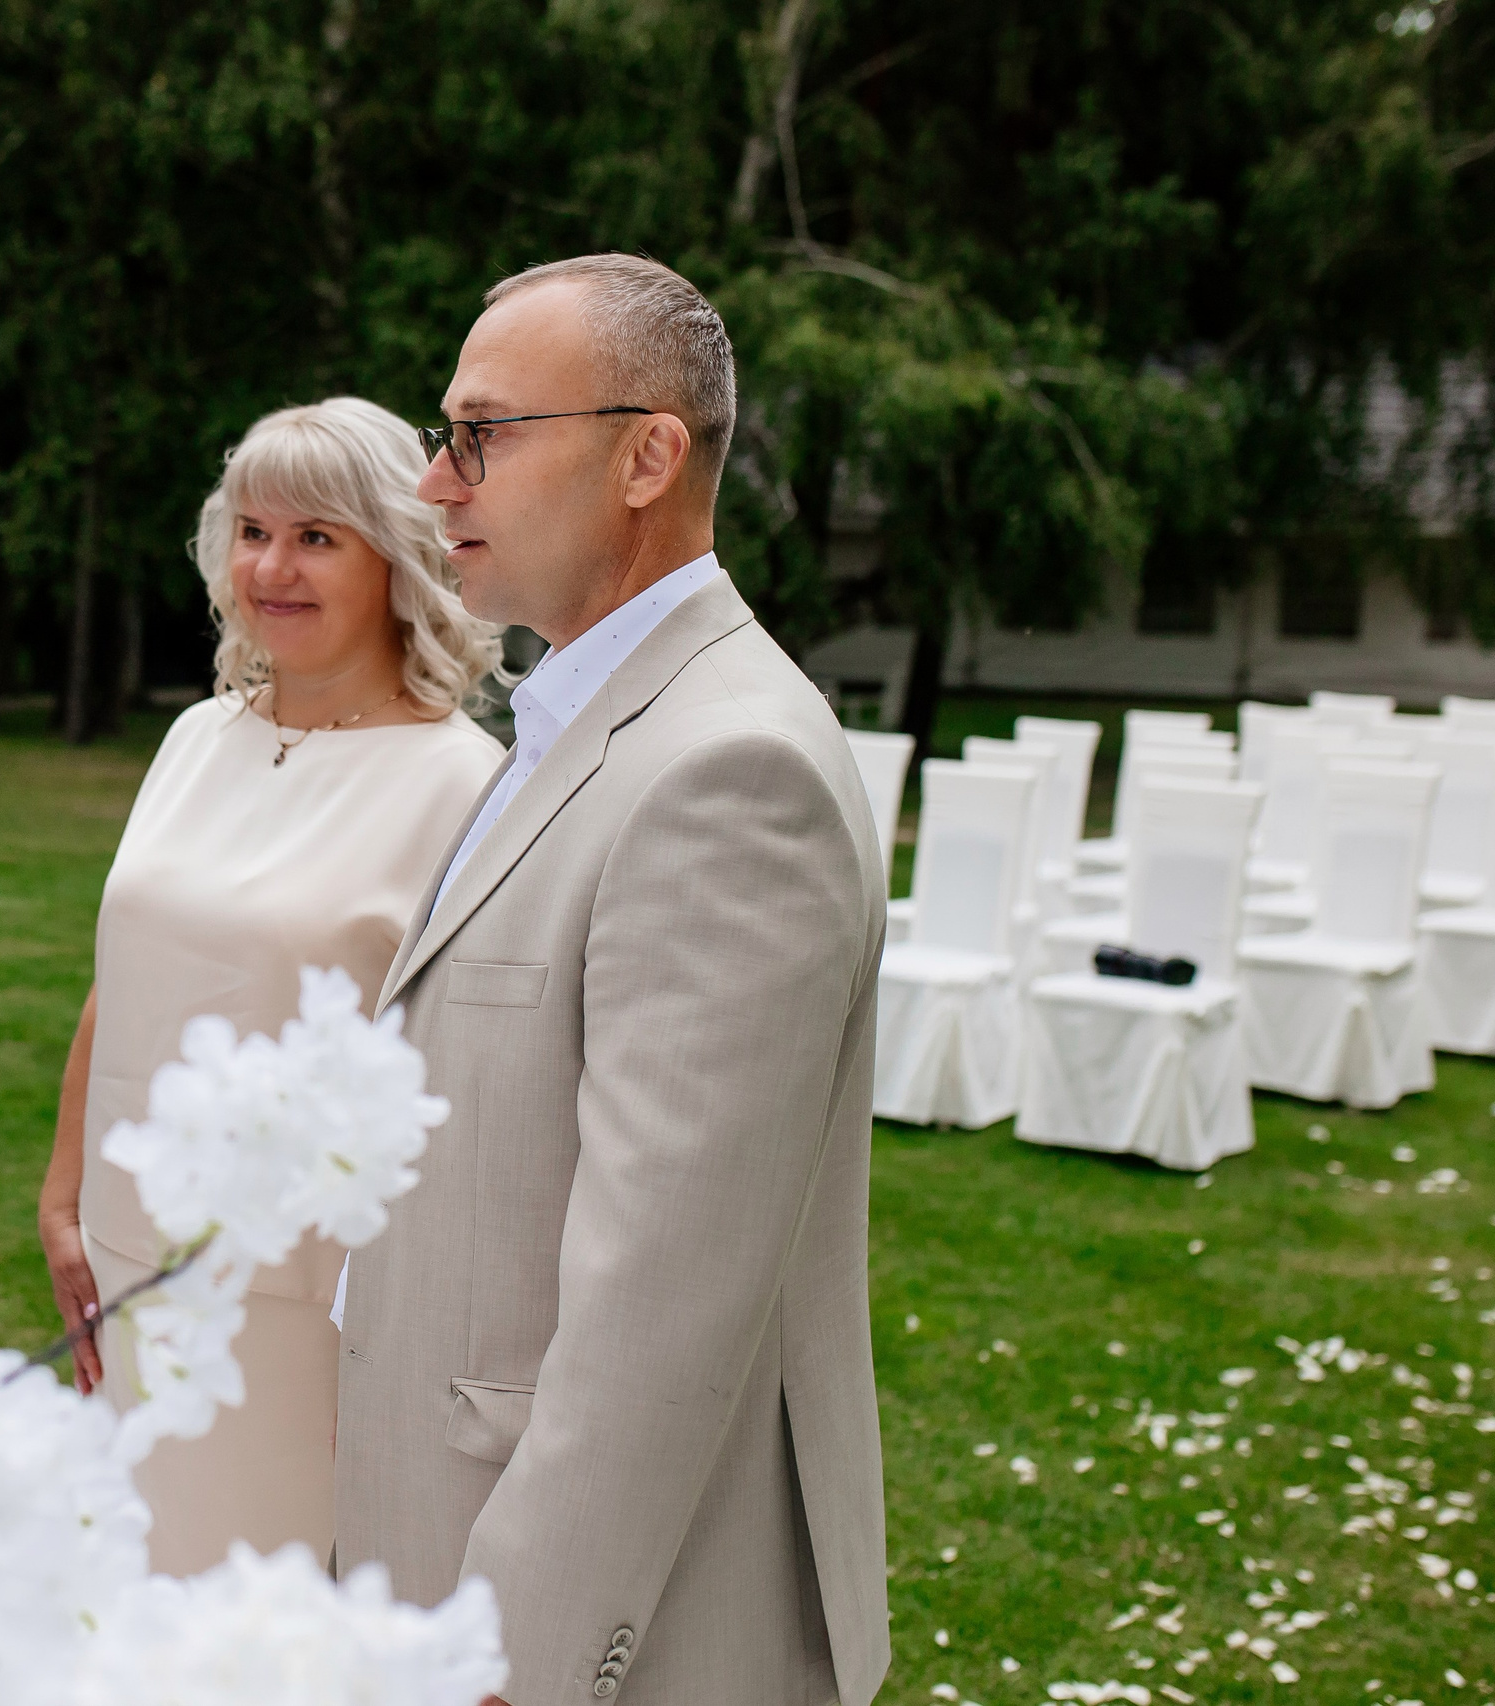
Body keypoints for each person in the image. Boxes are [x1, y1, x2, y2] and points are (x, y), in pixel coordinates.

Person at [333, 255, 890, 1706]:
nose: (435, 482)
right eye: (438, 430)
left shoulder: (731, 769)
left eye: (481, 433)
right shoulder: (583, 706)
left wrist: (508, 1653)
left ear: (648, 453)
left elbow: (667, 1301)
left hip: (608, 1617)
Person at [38, 398, 506, 1575]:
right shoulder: (195, 736)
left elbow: (467, 1076)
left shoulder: (464, 785)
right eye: (252, 529)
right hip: (129, 1248)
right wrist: (63, 1194)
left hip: (305, 1296)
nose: (271, 566)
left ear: (397, 557)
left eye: (316, 537)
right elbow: (123, 967)